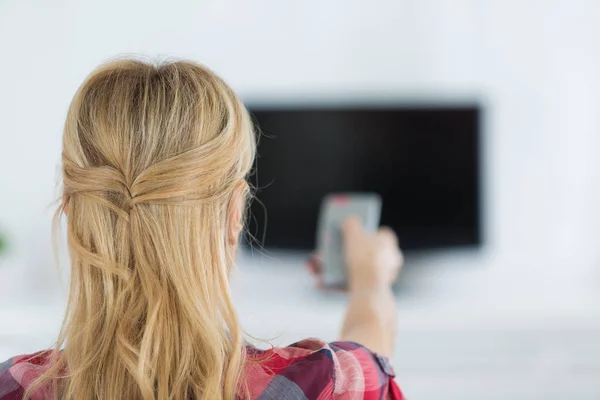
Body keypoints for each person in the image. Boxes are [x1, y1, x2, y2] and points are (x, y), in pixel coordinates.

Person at [0, 59, 404, 400]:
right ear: (235, 213)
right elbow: (371, 357)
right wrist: (370, 280)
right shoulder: (313, 384)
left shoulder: (13, 387)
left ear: (71, 211)